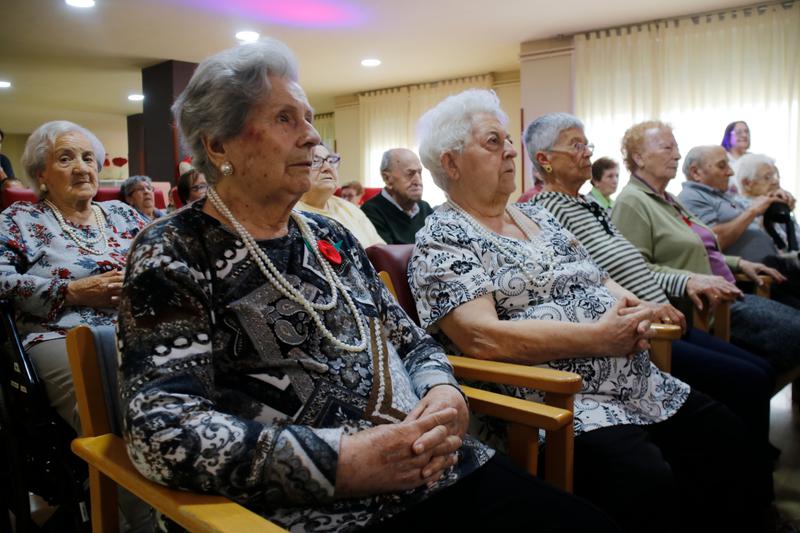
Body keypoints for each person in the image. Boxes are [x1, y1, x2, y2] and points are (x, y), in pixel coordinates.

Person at [117, 40, 618, 533]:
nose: (314, 138)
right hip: (316, 508)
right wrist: (342, 460)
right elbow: (162, 429)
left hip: (433, 466)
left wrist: (444, 391)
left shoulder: (330, 234)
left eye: (309, 118)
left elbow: (412, 341)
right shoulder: (175, 249)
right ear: (218, 144)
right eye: (285, 119)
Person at [409, 88, 770, 533]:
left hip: (637, 380)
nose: (509, 149)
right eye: (492, 142)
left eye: (507, 139)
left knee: (729, 437)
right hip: (559, 400)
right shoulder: (443, 238)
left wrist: (634, 304)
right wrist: (598, 338)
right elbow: (479, 337)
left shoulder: (538, 219)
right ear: (451, 163)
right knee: (647, 480)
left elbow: (596, 276)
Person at [526, 112, 777, 473]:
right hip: (644, 332)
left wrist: (668, 293)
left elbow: (634, 266)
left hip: (662, 315)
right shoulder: (544, 211)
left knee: (759, 373)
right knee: (748, 383)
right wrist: (646, 309)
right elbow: (583, 283)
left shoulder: (592, 204)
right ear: (544, 160)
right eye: (576, 145)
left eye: (587, 144)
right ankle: (756, 485)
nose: (587, 153)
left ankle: (751, 470)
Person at [611, 120, 800, 376]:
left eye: (676, 148)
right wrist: (691, 280)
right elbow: (635, 271)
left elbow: (701, 248)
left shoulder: (668, 199)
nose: (677, 155)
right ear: (639, 158)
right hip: (706, 308)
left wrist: (739, 263)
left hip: (729, 294)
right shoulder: (632, 202)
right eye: (668, 148)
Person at [0, 120, 145, 433]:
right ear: (41, 174)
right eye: (65, 159)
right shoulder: (19, 219)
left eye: (88, 158)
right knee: (125, 403)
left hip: (140, 329)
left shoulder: (124, 214)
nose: (81, 168)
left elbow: (167, 263)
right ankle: (111, 477)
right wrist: (70, 291)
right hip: (61, 334)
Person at [677, 146, 800, 308]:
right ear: (696, 172)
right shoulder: (691, 198)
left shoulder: (726, 197)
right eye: (722, 166)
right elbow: (712, 242)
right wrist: (753, 211)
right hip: (752, 278)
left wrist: (776, 203)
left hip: (773, 269)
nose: (730, 172)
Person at [295, 144, 385, 247]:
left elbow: (381, 250)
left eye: (331, 161)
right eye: (315, 161)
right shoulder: (288, 214)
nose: (328, 168)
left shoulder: (350, 209)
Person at [361, 148, 433, 244]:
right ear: (387, 179)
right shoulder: (371, 212)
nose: (418, 181)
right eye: (410, 174)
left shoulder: (425, 208)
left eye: (419, 173)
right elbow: (387, 256)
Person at [736, 153, 799, 254]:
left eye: (776, 176)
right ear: (747, 183)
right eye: (767, 177)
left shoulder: (777, 203)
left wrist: (786, 209)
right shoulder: (738, 208)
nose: (775, 181)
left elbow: (796, 240)